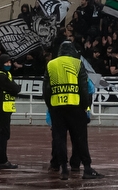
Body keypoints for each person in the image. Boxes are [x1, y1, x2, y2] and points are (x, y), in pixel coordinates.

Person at [43, 41, 103, 180]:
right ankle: (86, 168)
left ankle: (63, 169)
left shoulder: (51, 64)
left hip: (57, 108)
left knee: (59, 139)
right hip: (75, 107)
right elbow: (84, 88)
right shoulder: (77, 63)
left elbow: (46, 89)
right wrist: (85, 107)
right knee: (80, 139)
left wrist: (51, 107)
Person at [0, 53, 22, 169]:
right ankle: (2, 160)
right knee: (3, 134)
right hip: (2, 108)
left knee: (0, 133)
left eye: (9, 62)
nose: (8, 64)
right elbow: (15, 88)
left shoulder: (1, 74)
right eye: (6, 62)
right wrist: (15, 89)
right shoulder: (1, 76)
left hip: (2, 108)